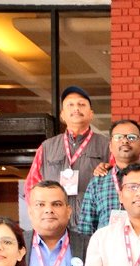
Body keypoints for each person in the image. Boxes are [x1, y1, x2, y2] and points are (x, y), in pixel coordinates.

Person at [24, 85, 110, 229]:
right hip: (55, 225)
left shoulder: (107, 145)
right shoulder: (46, 147)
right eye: (70, 105)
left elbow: (116, 183)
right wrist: (40, 215)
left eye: (81, 104)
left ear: (91, 114)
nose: (76, 108)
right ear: (62, 115)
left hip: (92, 224)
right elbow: (31, 186)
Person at [77, 119, 140, 234]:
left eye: (132, 137)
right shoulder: (97, 182)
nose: (125, 141)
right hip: (106, 245)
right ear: (110, 146)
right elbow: (86, 229)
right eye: (118, 137)